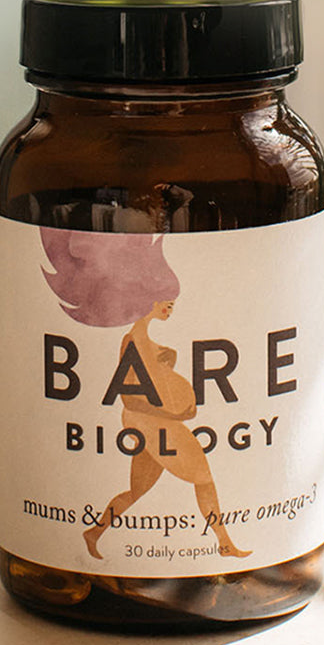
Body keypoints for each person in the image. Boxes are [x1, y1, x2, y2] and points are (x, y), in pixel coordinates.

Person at [40, 229, 251, 560]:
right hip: (153, 422)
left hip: (148, 422)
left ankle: (92, 532)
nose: (170, 308)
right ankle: (223, 543)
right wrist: (177, 412)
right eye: (166, 302)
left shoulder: (144, 340)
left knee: (136, 491)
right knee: (204, 477)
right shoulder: (136, 340)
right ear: (150, 300)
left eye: (172, 303)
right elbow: (134, 395)